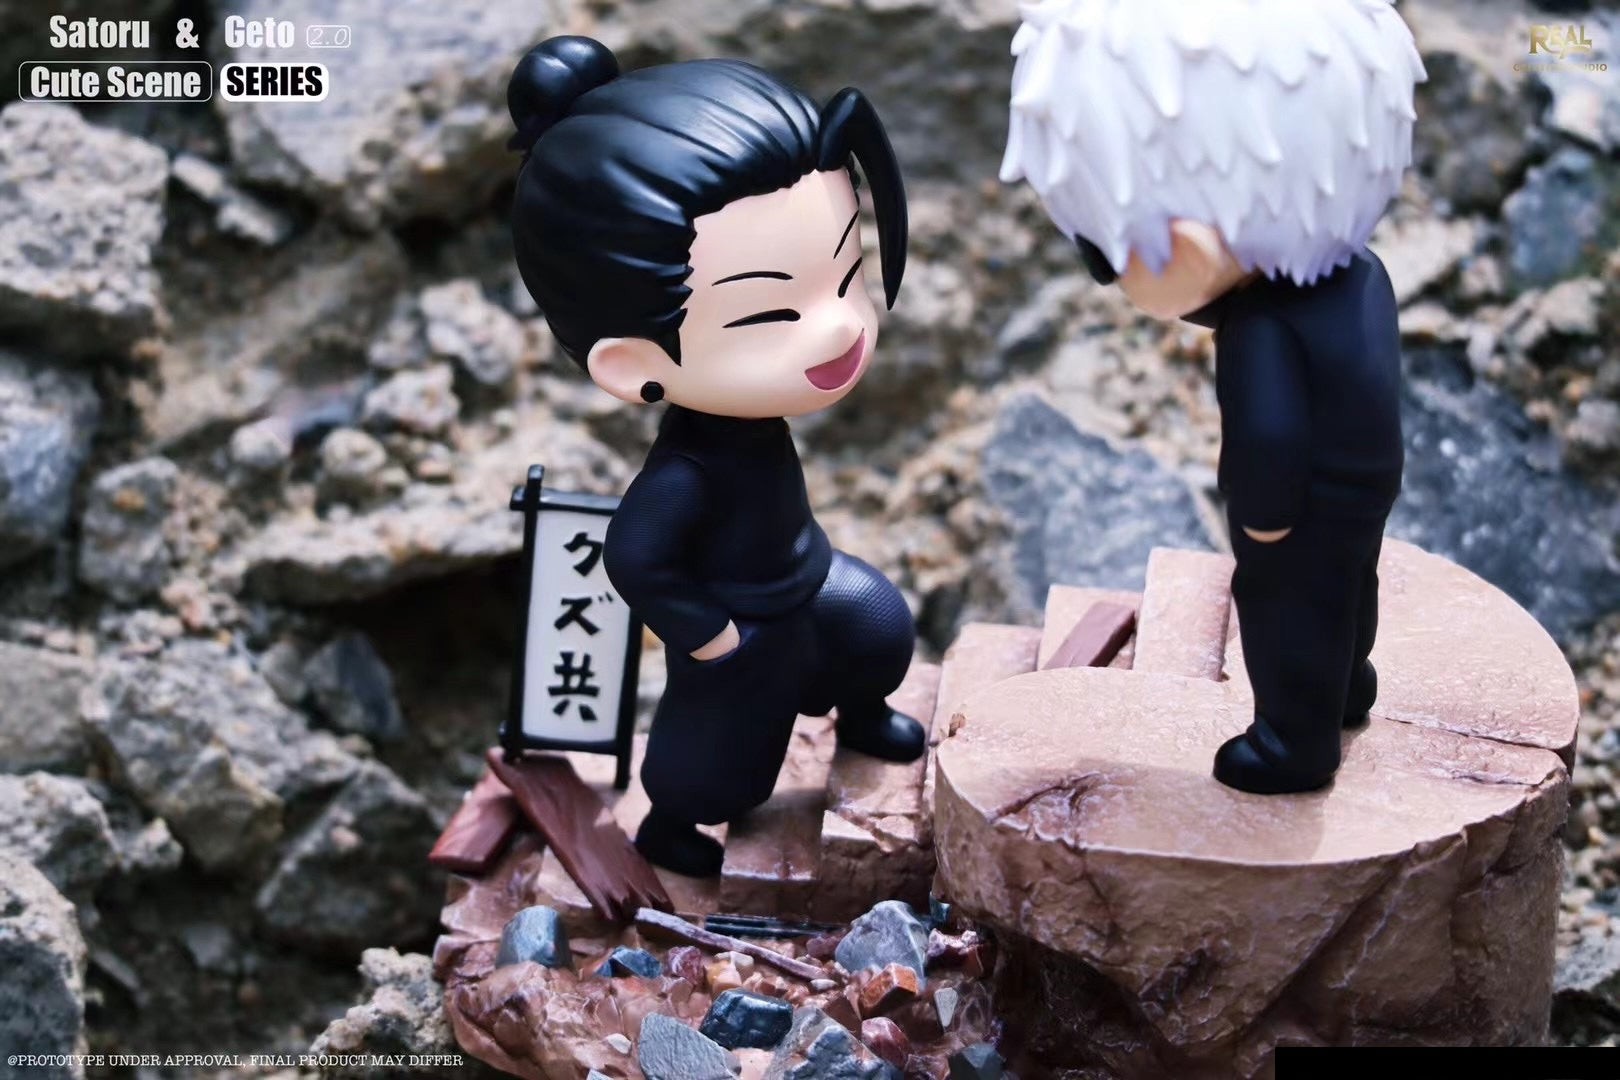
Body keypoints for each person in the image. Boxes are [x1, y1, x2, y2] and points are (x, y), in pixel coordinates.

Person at [507, 36, 924, 875]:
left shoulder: (756, 422)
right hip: (742, 623)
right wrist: (708, 636)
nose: (838, 326)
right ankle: (671, 824)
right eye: (769, 315)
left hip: (809, 581)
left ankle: (860, 710)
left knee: (879, 626)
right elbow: (634, 555)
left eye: (846, 275)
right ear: (632, 363)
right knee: (721, 768)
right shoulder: (686, 473)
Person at [1000, 0, 1427, 794]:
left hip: (1299, 501)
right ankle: (1347, 685)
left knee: (1285, 604)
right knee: (1348, 582)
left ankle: (1294, 741)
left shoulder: (1261, 327)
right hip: (1368, 475)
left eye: (1116, 252)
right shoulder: (1361, 272)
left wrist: (1263, 517)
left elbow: (1268, 433)